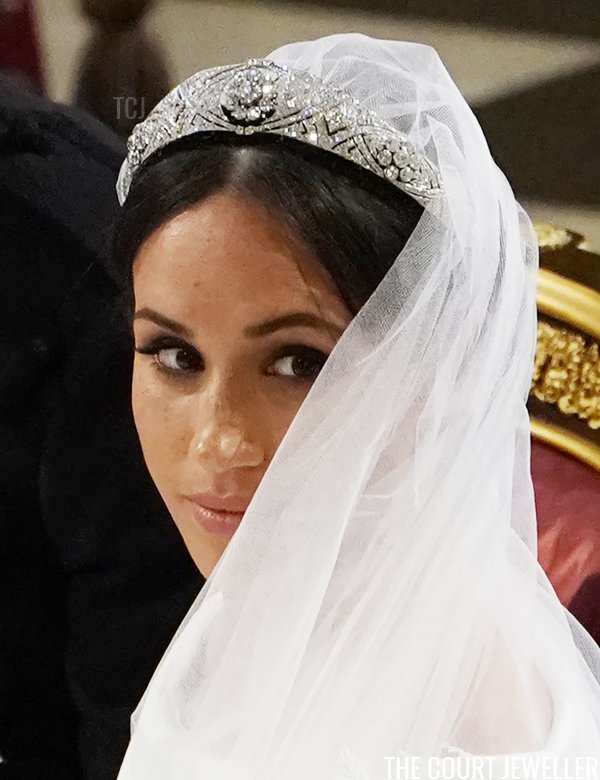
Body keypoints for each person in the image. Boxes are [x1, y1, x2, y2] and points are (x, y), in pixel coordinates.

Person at [111, 34, 600, 779]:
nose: (217, 442)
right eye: (175, 356)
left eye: (299, 364)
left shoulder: (480, 737)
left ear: (435, 364)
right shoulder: (261, 619)